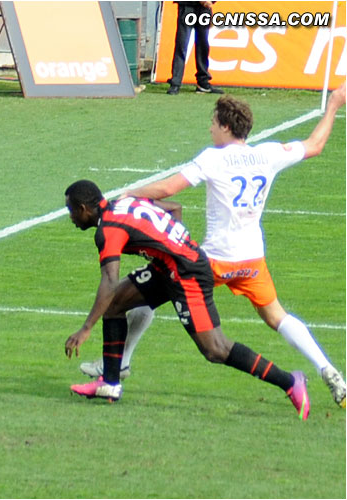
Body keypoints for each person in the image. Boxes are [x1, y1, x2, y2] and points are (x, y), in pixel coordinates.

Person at [83, 84, 347, 408]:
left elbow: (167, 188)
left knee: (138, 297)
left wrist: (128, 195)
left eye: (212, 122)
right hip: (252, 261)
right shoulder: (269, 153)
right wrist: (334, 103)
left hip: (211, 263)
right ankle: (326, 366)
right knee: (278, 316)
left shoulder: (214, 158)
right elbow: (315, 145)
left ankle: (119, 363)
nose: (209, 128)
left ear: (225, 126)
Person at [63, 180, 310, 420]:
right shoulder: (123, 203)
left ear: (84, 209)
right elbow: (174, 208)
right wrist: (169, 247)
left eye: (71, 211)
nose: (71, 218)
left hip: (187, 273)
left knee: (215, 349)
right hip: (171, 266)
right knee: (115, 305)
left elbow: (109, 281)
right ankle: (110, 384)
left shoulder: (108, 230)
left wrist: (85, 329)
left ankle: (290, 382)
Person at [167, 2, 223, 95]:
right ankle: (175, 83)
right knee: (182, 44)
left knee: (203, 45)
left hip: (204, 8)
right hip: (187, 6)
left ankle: (203, 82)